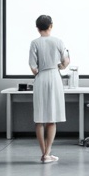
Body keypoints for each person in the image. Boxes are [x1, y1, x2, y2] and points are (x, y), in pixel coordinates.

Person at [29, 14, 70, 163]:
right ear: (51, 26)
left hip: (41, 78)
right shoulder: (58, 41)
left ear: (37, 28)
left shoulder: (34, 43)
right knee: (51, 118)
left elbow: (33, 68)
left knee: (39, 118)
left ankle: (43, 154)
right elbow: (65, 62)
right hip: (54, 76)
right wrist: (59, 66)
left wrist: (41, 69)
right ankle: (48, 153)